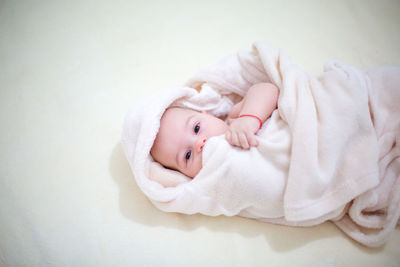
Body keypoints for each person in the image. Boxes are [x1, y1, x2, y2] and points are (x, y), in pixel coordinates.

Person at [150, 82, 279, 178]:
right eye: (187, 156)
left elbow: (268, 89)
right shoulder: (211, 186)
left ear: (208, 115)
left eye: (196, 128)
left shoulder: (236, 119)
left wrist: (249, 118)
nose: (199, 143)